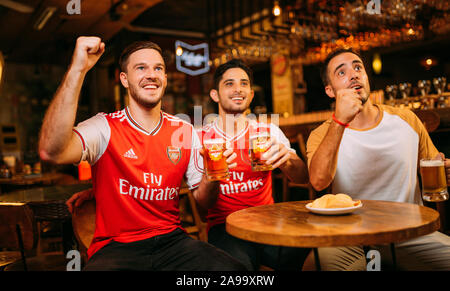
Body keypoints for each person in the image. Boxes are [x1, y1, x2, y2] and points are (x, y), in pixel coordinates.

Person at [38, 36, 246, 271]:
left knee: (235, 272)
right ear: (124, 80)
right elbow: (50, 152)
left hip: (173, 242)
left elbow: (205, 201)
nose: (152, 74)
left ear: (165, 78)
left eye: (158, 68)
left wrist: (212, 176)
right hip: (117, 248)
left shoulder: (185, 130)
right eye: (141, 68)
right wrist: (78, 69)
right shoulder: (104, 127)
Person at [305, 47, 450, 270]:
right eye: (341, 73)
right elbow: (319, 181)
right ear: (330, 91)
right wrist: (340, 121)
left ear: (365, 76)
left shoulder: (406, 119)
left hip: (409, 232)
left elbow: (435, 169)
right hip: (347, 237)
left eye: (357, 67)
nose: (353, 74)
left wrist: (446, 171)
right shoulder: (321, 134)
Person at [199, 59, 311, 271]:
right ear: (215, 94)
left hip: (268, 222)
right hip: (226, 226)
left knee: (315, 253)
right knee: (233, 270)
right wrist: (212, 177)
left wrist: (287, 159)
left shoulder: (268, 132)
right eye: (229, 84)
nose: (238, 89)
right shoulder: (203, 139)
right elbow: (203, 204)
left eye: (244, 83)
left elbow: (303, 177)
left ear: (250, 94)